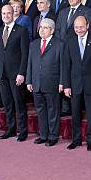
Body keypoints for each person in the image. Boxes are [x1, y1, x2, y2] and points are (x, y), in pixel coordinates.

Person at [62, 16, 91, 151]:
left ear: (88, 25)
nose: (79, 30)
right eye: (76, 27)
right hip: (74, 84)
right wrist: (66, 85)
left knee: (90, 114)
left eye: (82, 27)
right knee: (75, 113)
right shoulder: (70, 42)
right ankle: (76, 139)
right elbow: (66, 65)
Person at [0, 5, 29, 141]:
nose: (6, 15)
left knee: (19, 103)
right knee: (7, 104)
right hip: (2, 74)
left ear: (13, 14)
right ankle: (11, 129)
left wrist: (22, 73)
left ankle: (23, 131)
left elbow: (25, 54)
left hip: (16, 74)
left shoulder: (21, 31)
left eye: (9, 13)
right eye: (3, 13)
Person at [26, 18, 64, 146]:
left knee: (53, 111)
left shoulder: (59, 44)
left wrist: (62, 82)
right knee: (40, 110)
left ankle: (53, 136)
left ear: (52, 30)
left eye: (45, 27)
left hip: (52, 83)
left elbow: (63, 66)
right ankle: (43, 135)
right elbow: (30, 63)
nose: (41, 30)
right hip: (36, 83)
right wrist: (29, 80)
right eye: (41, 27)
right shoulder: (34, 44)